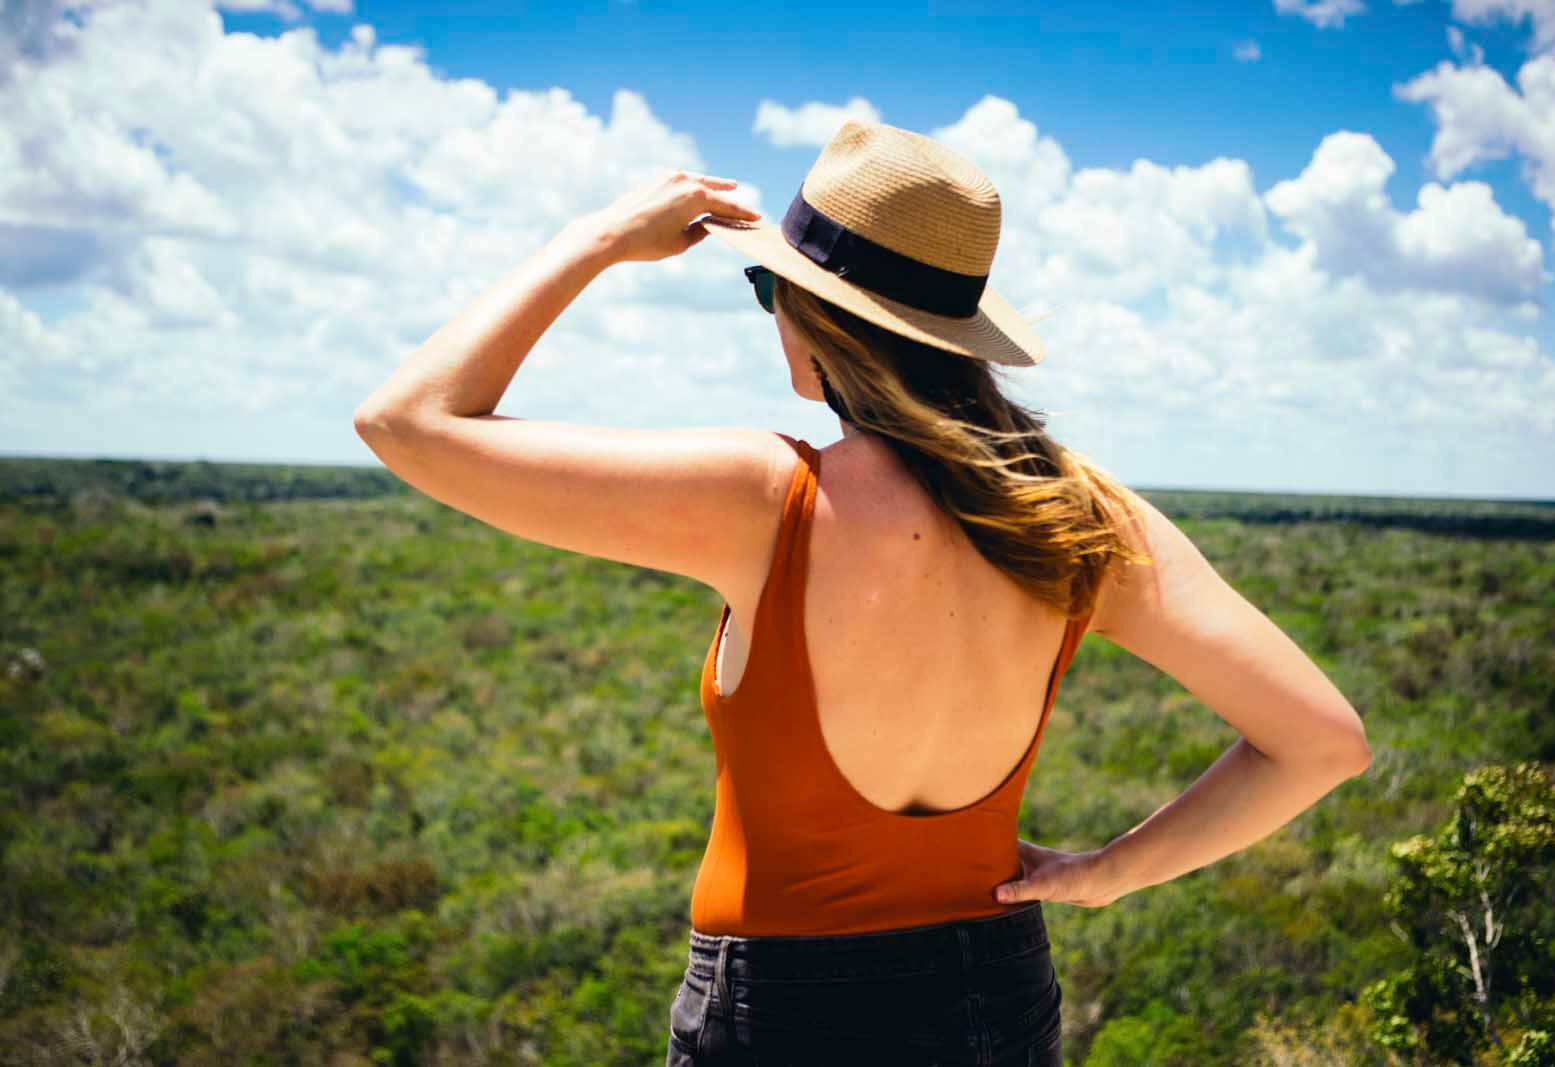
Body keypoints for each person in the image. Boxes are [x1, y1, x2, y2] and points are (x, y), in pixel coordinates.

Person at [354, 119, 1372, 1066]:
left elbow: (407, 421)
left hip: (784, 1009)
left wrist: (596, 239)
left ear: (818, 315)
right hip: (1001, 992)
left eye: (770, 289)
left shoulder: (767, 499)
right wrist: (1108, 871)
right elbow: (1323, 741)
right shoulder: (1082, 518)